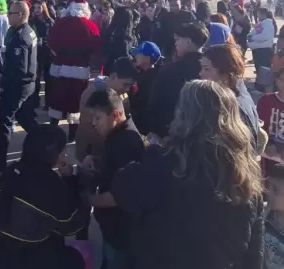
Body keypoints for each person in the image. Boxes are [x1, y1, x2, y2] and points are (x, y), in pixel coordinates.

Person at [93, 80, 265, 269]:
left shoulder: (165, 163)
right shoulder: (245, 174)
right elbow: (255, 248)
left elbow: (122, 187)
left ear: (183, 115)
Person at [0, 124, 87, 269]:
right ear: (52, 154)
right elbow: (70, 226)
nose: (65, 154)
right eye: (62, 150)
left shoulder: (10, 171)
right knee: (75, 259)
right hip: (30, 256)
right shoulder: (51, 185)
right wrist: (69, 181)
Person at [81, 89, 145, 269]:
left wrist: (89, 199)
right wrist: (95, 161)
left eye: (97, 118)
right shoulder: (118, 133)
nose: (93, 123)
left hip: (121, 233)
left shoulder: (125, 143)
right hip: (114, 230)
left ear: (115, 114)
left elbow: (120, 195)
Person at [0, 1, 40, 175]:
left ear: (20, 14)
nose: (8, 16)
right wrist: (1, 74)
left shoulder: (20, 38)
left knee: (2, 122)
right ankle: (47, 144)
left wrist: (1, 86)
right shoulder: (27, 32)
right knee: (26, 119)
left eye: (11, 13)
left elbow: (18, 70)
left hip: (18, 87)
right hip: (26, 85)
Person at [45, 0, 102, 143]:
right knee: (75, 101)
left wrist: (59, 53)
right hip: (80, 69)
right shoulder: (90, 25)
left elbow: (50, 41)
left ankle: (53, 129)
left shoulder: (60, 23)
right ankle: (72, 134)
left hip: (59, 66)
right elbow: (96, 46)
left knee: (57, 98)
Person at [145, 22, 209, 140]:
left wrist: (155, 130)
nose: (175, 43)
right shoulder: (212, 69)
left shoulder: (169, 70)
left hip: (172, 131)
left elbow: (155, 103)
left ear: (189, 42)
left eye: (178, 39)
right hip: (204, 133)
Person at [75, 57, 138, 162]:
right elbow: (89, 129)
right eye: (125, 84)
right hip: (91, 153)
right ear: (113, 76)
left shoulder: (123, 95)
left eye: (130, 86)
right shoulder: (91, 95)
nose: (127, 89)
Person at [200, 43, 261, 148]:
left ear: (225, 75)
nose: (201, 73)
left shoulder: (234, 107)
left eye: (206, 69)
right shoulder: (237, 91)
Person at [130, 41, 163, 134]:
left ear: (148, 58)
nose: (135, 56)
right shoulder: (142, 73)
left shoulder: (152, 79)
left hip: (145, 125)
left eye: (138, 53)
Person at [29, 1, 55, 105]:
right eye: (35, 8)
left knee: (49, 79)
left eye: (39, 7)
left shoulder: (50, 21)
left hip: (48, 53)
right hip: (36, 53)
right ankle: (35, 101)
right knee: (36, 78)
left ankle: (48, 102)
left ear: (43, 8)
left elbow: (54, 36)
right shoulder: (32, 22)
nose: (37, 10)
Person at [103, 5, 136, 76]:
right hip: (119, 72)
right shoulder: (123, 35)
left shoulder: (111, 30)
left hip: (108, 68)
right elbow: (125, 55)